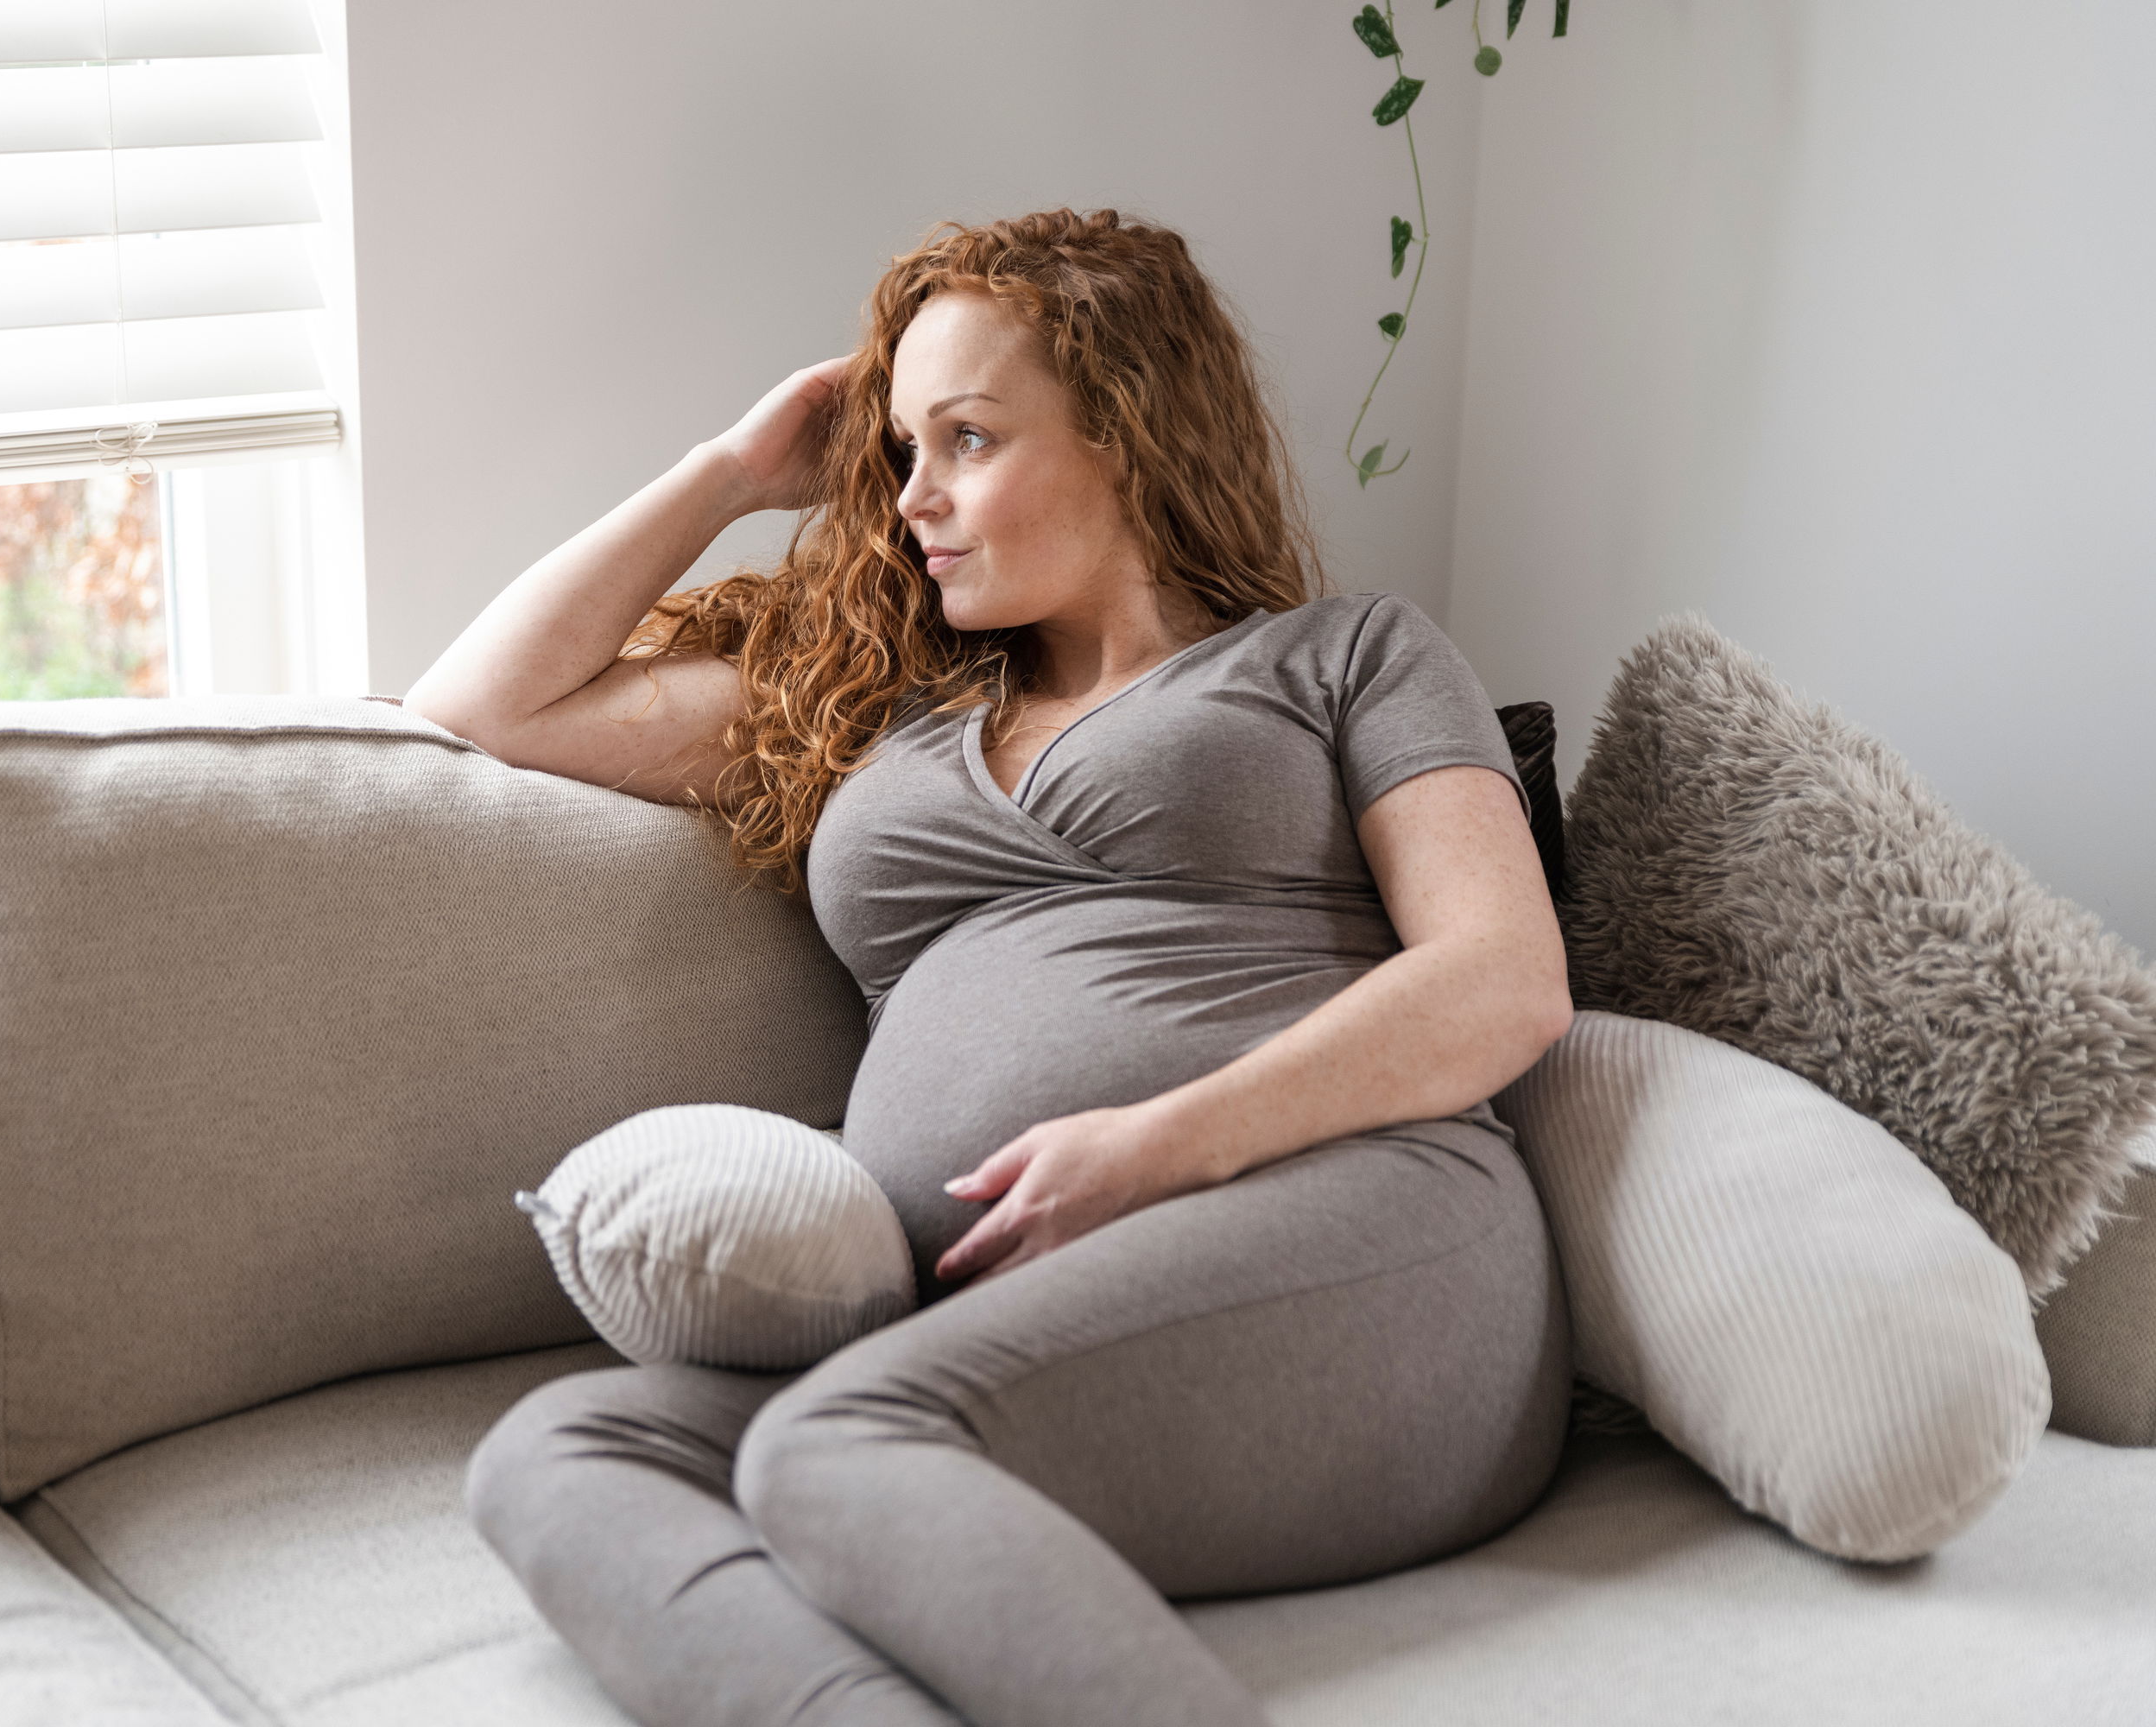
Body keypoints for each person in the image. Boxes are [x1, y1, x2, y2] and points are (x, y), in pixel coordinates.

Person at [409, 207, 1573, 1727]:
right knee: (561, 1452)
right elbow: (484, 703)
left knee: (837, 1452)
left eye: (966, 439)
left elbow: (1504, 979)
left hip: (1355, 1231)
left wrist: (1159, 1146)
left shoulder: (1345, 658)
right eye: (899, 452)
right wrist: (733, 477)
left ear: (1131, 432)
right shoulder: (875, 712)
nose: (913, 500)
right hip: (982, 1315)